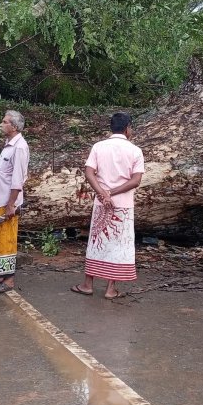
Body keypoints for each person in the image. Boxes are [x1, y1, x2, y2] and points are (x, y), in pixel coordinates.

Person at [71, 112, 145, 300]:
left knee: (96, 242)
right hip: (123, 206)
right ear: (128, 128)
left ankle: (88, 284)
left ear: (111, 127)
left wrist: (102, 193)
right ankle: (110, 289)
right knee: (119, 245)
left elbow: (89, 173)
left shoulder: (99, 146)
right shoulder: (135, 151)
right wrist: (111, 193)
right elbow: (135, 180)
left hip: (101, 203)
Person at [0, 110, 30, 293]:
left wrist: (11, 204)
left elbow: (18, 178)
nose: (1, 124)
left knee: (6, 240)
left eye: (5, 122)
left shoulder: (20, 147)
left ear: (14, 127)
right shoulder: (9, 144)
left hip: (6, 202)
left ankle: (8, 280)